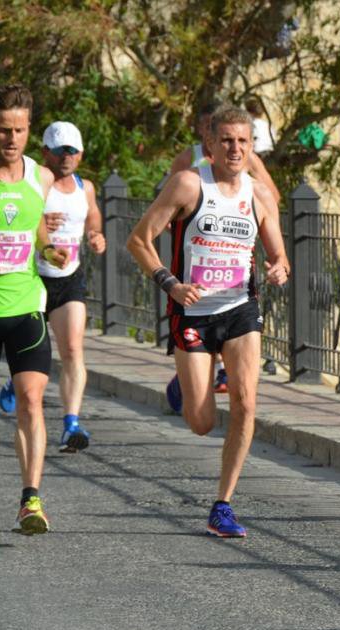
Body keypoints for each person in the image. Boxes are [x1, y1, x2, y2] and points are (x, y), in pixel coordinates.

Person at [127, 104, 289, 538]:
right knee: (201, 423)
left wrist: (278, 268)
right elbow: (139, 240)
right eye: (227, 141)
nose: (235, 149)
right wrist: (171, 284)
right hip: (191, 312)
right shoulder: (187, 185)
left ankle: (223, 504)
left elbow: (278, 256)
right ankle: (185, 384)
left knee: (246, 402)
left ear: (252, 147)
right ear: (211, 146)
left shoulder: (259, 195)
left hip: (240, 310)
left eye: (243, 141)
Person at [4, 121, 106, 453]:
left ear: (80, 154)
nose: (66, 157)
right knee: (31, 353)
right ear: (45, 152)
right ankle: (16, 381)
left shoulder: (84, 187)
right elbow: (22, 215)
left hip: (68, 279)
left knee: (73, 349)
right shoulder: (35, 181)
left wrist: (95, 235)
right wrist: (40, 225)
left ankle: (71, 423)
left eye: (72, 151)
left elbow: (92, 215)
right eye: (60, 151)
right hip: (33, 277)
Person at [170, 100, 281, 393]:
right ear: (207, 136)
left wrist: (251, 214)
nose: (234, 147)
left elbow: (272, 196)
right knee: (200, 415)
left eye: (241, 140)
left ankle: (219, 372)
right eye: (221, 136)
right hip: (196, 262)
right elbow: (169, 201)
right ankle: (190, 376)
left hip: (235, 272)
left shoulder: (249, 160)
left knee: (244, 393)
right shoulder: (187, 160)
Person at [0, 84, 70, 534]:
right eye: (3, 129)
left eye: (19, 130)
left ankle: (30, 500)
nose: (10, 138)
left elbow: (40, 232)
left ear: (30, 131)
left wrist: (52, 250)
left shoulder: (40, 178)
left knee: (31, 400)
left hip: (26, 305)